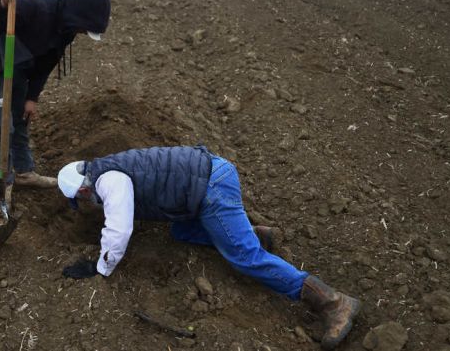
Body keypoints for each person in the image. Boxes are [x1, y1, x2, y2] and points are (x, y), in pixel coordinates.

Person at [56, 146, 360, 350]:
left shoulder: (109, 181)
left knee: (245, 258)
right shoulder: (108, 167)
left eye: (81, 199)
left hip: (211, 185)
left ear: (83, 189)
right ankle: (252, 233)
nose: (85, 203)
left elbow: (119, 230)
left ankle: (332, 302)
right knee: (180, 231)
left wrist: (101, 267)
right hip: (203, 179)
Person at [0, 0, 110, 215]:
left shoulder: (66, 29)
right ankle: (2, 185)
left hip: (16, 61)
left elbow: (47, 62)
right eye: (84, 28)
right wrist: (1, 4)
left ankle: (23, 172)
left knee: (19, 116)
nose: (83, 33)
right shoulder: (31, 6)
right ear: (77, 17)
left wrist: (32, 97)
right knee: (2, 123)